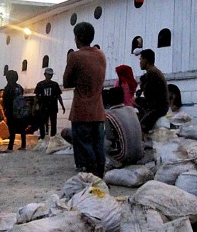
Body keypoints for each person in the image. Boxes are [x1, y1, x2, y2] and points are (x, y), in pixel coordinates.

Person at [62, 21, 107, 177]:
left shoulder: (75, 56)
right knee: (98, 147)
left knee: (85, 149)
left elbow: (66, 82)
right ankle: (100, 178)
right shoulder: (101, 55)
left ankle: (91, 180)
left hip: (81, 111)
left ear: (78, 37)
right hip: (98, 111)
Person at [102, 86, 144, 165]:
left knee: (101, 139)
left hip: (123, 156)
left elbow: (110, 137)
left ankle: (111, 164)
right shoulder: (132, 109)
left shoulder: (109, 115)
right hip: (140, 154)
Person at [135, 49, 169, 133]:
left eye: (141, 59)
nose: (140, 62)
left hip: (157, 108)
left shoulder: (152, 73)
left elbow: (150, 97)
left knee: (139, 130)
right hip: (159, 106)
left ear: (145, 60)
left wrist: (137, 101)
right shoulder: (155, 72)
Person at [0, 70, 29, 152]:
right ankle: (23, 145)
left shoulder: (8, 87)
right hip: (20, 110)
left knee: (11, 128)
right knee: (22, 128)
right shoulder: (19, 87)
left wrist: (5, 110)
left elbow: (6, 100)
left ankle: (10, 147)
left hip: (11, 110)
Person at [34, 67, 66, 139]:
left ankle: (53, 137)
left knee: (53, 123)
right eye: (49, 74)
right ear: (45, 74)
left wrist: (62, 106)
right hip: (44, 107)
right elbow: (36, 97)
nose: (50, 76)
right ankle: (42, 136)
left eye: (51, 75)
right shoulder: (40, 84)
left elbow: (58, 96)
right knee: (42, 122)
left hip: (52, 107)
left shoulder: (55, 85)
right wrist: (34, 106)